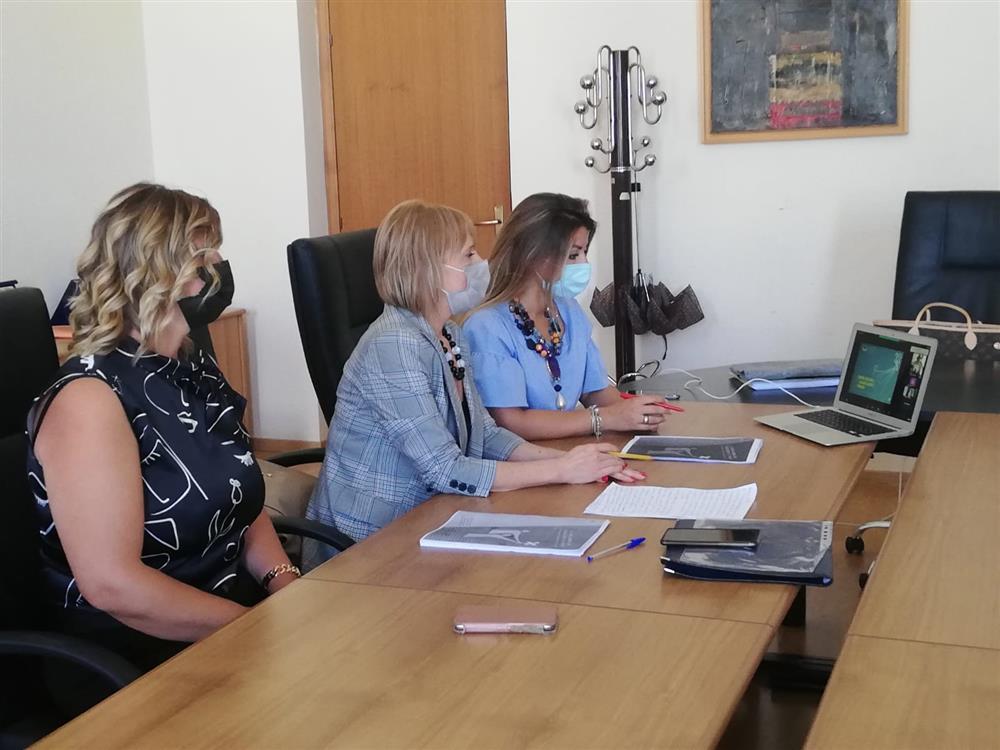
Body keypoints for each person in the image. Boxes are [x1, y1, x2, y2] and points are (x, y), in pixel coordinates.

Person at [27, 183, 298, 672]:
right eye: (201, 257)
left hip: (226, 619)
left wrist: (288, 590)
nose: (217, 268)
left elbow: (238, 491)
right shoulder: (90, 398)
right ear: (150, 275)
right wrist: (258, 631)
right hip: (136, 655)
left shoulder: (189, 365)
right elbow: (112, 585)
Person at [304, 200, 642, 565]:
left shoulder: (449, 334)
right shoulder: (394, 344)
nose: (481, 263)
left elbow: (487, 434)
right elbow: (444, 468)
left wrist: (574, 461)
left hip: (434, 517)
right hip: (371, 541)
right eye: (468, 255)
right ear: (429, 269)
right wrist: (560, 470)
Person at [463, 193, 670, 441]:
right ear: (532, 253)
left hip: (571, 450)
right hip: (523, 457)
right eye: (573, 255)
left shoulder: (569, 311)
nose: (583, 263)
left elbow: (594, 392)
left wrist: (638, 413)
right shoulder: (486, 326)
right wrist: (605, 418)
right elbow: (510, 422)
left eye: (584, 252)